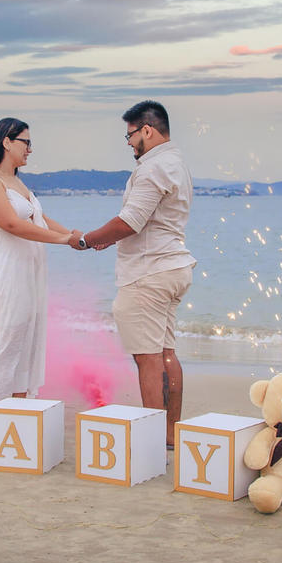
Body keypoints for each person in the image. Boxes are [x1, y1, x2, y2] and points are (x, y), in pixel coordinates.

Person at [81, 101, 195, 447]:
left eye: (130, 135)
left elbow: (131, 220)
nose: (129, 143)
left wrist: (88, 240)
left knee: (148, 359)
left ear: (147, 129)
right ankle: (171, 432)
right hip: (173, 267)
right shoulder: (177, 164)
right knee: (166, 353)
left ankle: (153, 437)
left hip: (148, 273)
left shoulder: (153, 168)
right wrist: (109, 239)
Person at [0, 117, 83, 408]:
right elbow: (11, 224)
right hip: (3, 269)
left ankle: (17, 410)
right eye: (26, 142)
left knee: (24, 337)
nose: (30, 149)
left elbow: (37, 218)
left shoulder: (16, 182)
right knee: (6, 335)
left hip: (27, 270)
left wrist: (76, 236)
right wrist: (62, 240)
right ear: (7, 141)